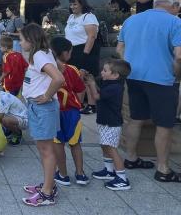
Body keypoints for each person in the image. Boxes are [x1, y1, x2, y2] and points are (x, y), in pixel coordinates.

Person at [117, 0, 181, 182]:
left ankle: (131, 158)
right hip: (162, 79)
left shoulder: (131, 20)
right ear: (174, 5)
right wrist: (177, 75)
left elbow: (120, 49)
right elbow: (179, 56)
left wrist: (130, 66)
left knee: (136, 119)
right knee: (164, 125)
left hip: (134, 77)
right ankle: (163, 169)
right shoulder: (175, 22)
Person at [18, 24, 65, 207]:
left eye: (22, 39)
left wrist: (46, 95)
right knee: (45, 149)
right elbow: (61, 69)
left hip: (43, 108)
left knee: (46, 151)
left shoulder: (39, 55)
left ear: (30, 40)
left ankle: (47, 193)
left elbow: (59, 78)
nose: (20, 43)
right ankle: (48, 184)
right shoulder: (45, 53)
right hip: (39, 108)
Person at [86, 59, 133, 190]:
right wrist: (89, 78)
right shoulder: (108, 82)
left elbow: (96, 96)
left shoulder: (115, 87)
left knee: (111, 148)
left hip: (111, 123)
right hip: (104, 121)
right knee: (105, 145)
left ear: (115, 75)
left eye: (105, 70)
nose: (102, 72)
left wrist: (91, 84)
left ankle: (122, 178)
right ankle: (109, 170)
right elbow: (96, 82)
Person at [50, 37, 89, 187]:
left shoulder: (47, 69)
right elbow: (80, 89)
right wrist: (77, 104)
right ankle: (80, 173)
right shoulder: (72, 69)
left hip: (55, 111)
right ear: (65, 53)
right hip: (72, 112)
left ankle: (63, 174)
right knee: (75, 143)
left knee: (58, 143)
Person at [65, 0, 100, 115]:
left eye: (75, 4)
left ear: (82, 4)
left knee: (85, 77)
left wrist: (85, 54)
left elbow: (92, 36)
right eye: (71, 4)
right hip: (72, 50)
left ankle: (91, 105)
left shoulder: (88, 17)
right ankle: (78, 104)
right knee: (75, 78)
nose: (72, 6)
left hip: (85, 49)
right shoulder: (71, 17)